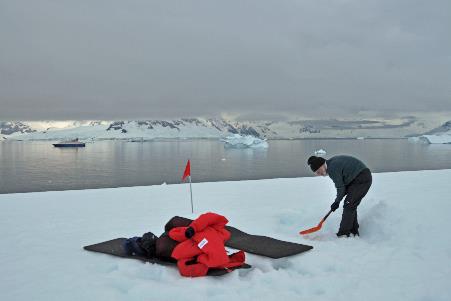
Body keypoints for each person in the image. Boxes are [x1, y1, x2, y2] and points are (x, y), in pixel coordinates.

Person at [122, 212, 246, 277]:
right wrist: (193, 228)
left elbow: (185, 265)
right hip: (181, 237)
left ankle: (139, 244)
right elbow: (211, 218)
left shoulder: (213, 245)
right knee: (169, 232)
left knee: (164, 243)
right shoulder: (216, 235)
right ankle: (139, 244)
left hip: (176, 240)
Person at [307, 155, 372, 237]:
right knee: (350, 204)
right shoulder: (331, 163)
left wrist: (336, 202)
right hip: (355, 178)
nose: (319, 174)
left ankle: (344, 234)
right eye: (317, 173)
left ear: (322, 165)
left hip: (361, 178)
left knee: (349, 204)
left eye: (318, 171)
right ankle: (353, 231)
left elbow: (340, 188)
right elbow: (343, 188)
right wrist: (337, 202)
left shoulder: (332, 169)